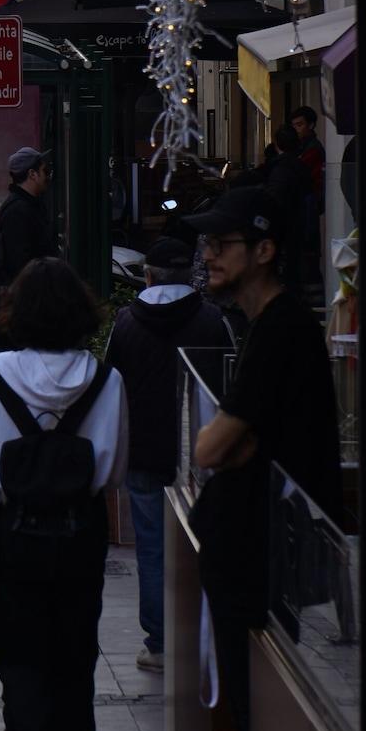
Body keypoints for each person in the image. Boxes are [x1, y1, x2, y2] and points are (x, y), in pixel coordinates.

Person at [185, 186, 340, 731]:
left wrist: (226, 443)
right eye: (205, 243)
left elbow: (214, 446)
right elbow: (230, 442)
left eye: (222, 244)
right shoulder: (264, 327)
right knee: (252, 720)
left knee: (264, 725)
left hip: (270, 557)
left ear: (265, 250)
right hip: (258, 552)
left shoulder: (280, 331)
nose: (207, 255)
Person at [0, 258, 128, 731]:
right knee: (75, 644)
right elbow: (112, 468)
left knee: (22, 648)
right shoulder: (105, 380)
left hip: (14, 531)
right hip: (79, 530)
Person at [103, 237, 244, 673]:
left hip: (144, 453)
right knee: (206, 543)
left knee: (151, 547)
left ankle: (161, 642)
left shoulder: (126, 323)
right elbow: (229, 387)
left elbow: (110, 388)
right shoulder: (213, 321)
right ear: (190, 276)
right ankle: (204, 635)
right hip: (202, 453)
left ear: (147, 277)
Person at [0, 147, 60, 290]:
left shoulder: (28, 205)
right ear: (32, 174)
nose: (48, 176)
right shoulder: (18, 211)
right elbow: (19, 263)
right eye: (45, 171)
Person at [289, 104, 325, 192]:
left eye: (299, 125)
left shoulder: (313, 149)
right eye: (293, 126)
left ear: (310, 125)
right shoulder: (298, 145)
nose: (295, 129)